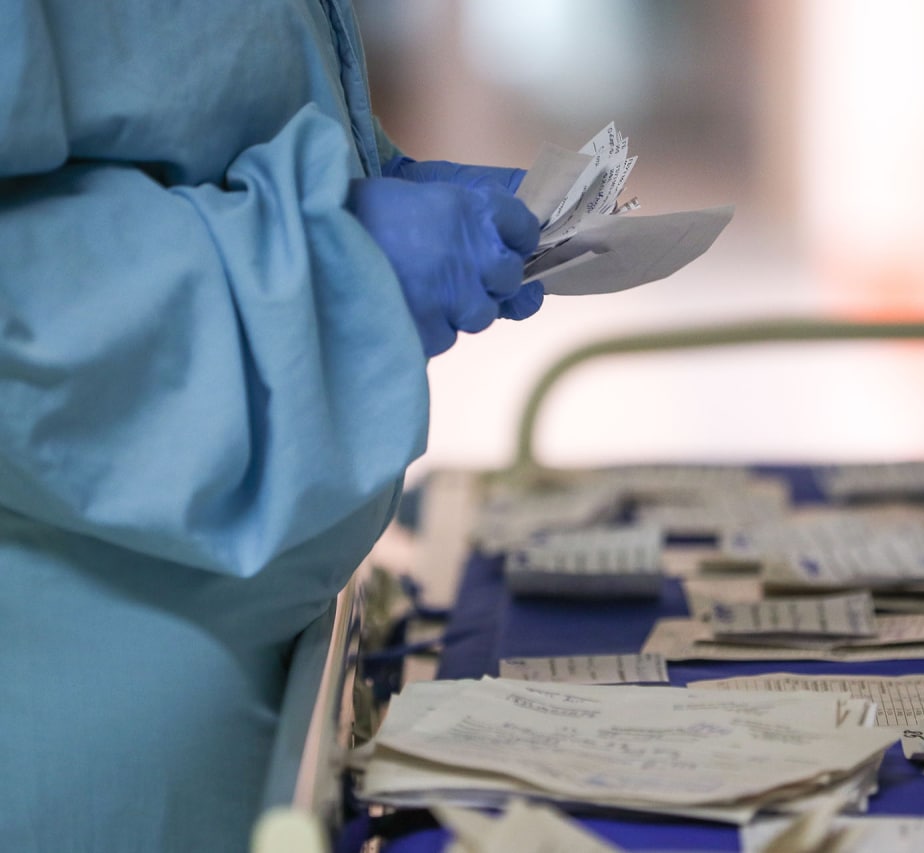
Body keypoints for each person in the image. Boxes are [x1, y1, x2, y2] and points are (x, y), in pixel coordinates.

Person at [0, 1, 541, 849]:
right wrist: (319, 255)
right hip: (83, 715)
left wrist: (364, 169)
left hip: (262, 657)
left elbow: (171, 95)